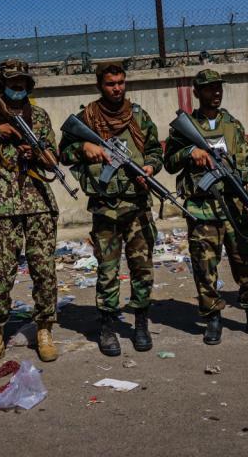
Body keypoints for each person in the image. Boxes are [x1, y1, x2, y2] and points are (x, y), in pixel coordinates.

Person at [163, 69, 248, 344]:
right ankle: (213, 317)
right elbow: (169, 162)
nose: (216, 93)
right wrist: (191, 152)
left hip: (235, 205)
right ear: (197, 92)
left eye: (218, 88)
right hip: (202, 207)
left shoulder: (232, 124)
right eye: (209, 88)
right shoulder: (184, 126)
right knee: (204, 265)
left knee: (247, 261)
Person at [0, 59, 61, 368]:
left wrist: (38, 154)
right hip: (1, 208)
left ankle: (44, 330)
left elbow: (54, 160)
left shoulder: (40, 117)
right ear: (1, 84)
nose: (17, 89)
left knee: (44, 271)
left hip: (38, 205)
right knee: (0, 274)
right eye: (12, 84)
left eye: (22, 84)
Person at [59, 62, 162, 356]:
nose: (117, 88)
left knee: (142, 268)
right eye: (110, 83)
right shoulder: (87, 118)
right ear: (99, 86)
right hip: (105, 209)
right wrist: (83, 149)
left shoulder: (139, 116)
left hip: (138, 206)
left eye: (121, 82)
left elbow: (155, 150)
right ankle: (107, 326)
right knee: (107, 271)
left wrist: (151, 166)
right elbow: (63, 152)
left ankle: (140, 322)